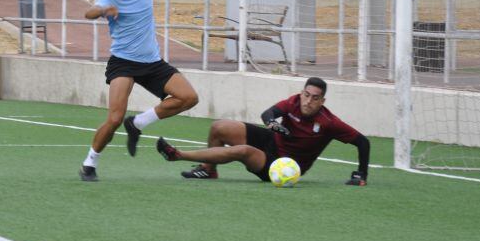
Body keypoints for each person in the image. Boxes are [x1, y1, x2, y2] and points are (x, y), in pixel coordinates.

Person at [79, 0, 199, 182]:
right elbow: (89, 13)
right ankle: (90, 162)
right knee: (114, 119)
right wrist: (104, 10)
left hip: (152, 62)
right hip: (123, 62)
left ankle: (137, 123)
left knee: (189, 98)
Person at [155, 76, 370, 186]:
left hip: (284, 165)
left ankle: (178, 155)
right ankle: (208, 170)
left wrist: (361, 174)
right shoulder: (293, 102)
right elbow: (268, 114)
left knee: (244, 151)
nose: (308, 101)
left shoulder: (329, 122)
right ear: (302, 92)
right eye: (306, 94)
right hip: (273, 141)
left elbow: (363, 142)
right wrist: (273, 125)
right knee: (219, 127)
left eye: (315, 98)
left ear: (322, 100)